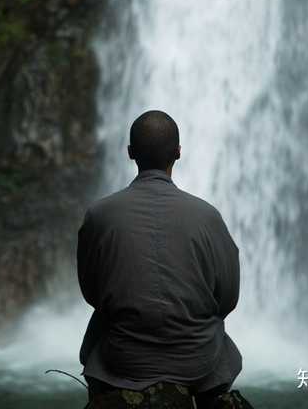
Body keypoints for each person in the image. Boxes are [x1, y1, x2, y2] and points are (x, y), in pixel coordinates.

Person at [76, 110, 251, 408]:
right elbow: (228, 299)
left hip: (123, 360)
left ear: (130, 153)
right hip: (198, 362)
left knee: (99, 328)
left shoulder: (99, 215)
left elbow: (92, 292)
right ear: (179, 153)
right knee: (217, 338)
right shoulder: (208, 217)